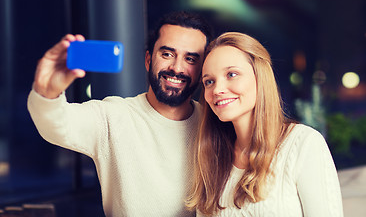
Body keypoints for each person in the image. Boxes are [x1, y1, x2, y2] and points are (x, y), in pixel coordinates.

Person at [27, 11, 213, 217]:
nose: (177, 67)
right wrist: (47, 90)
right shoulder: (113, 116)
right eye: (167, 54)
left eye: (191, 59)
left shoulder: (214, 125)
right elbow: (56, 124)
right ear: (148, 60)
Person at [186, 32, 344, 216]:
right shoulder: (211, 157)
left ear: (260, 77)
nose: (217, 90)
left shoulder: (304, 143)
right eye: (209, 81)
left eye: (232, 74)